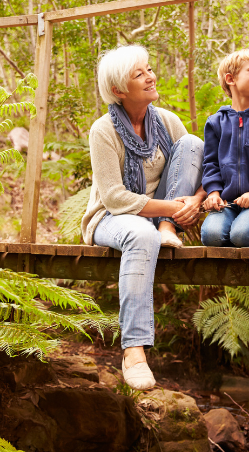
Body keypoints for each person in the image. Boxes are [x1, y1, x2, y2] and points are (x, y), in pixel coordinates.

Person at [82, 44, 207, 390]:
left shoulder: (167, 121)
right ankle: (134, 351)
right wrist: (172, 207)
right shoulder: (103, 130)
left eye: (149, 69)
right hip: (113, 217)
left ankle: (166, 229)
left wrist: (195, 201)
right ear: (120, 89)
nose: (151, 76)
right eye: (140, 74)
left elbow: (200, 169)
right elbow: (115, 197)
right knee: (141, 234)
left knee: (193, 143)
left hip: (162, 218)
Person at [201, 49, 249, 247]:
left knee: (242, 236)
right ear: (231, 79)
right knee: (211, 236)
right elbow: (210, 162)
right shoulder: (216, 122)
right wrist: (213, 193)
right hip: (227, 202)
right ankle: (237, 233)